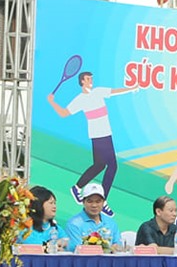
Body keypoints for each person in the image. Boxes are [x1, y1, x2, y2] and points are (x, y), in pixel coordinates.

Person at [47, 71, 130, 214]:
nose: (91, 80)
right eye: (88, 78)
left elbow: (115, 91)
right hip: (98, 136)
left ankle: (78, 188)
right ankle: (99, 199)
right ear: (82, 81)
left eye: (91, 78)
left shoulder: (98, 92)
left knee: (101, 165)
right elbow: (64, 113)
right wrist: (52, 102)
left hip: (107, 134)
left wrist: (132, 88)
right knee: (109, 166)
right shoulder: (80, 99)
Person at [62, 182, 121, 249]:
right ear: (83, 202)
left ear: (103, 202)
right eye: (90, 201)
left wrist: (116, 248)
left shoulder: (111, 223)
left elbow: (118, 246)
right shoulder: (73, 224)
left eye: (98, 201)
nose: (94, 205)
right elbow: (78, 250)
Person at [24, 185, 68, 250]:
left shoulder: (55, 227)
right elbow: (34, 245)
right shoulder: (25, 227)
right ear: (39, 205)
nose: (54, 206)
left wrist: (64, 242)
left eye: (55, 203)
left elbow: (68, 241)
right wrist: (53, 246)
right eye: (51, 203)